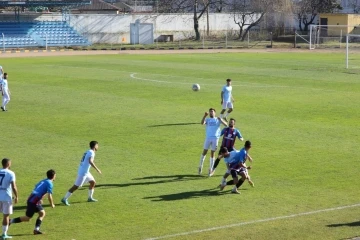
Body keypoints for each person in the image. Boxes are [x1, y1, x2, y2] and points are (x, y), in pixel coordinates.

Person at [10, 169, 56, 235]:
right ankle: (10, 221)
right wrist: (52, 204)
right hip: (33, 201)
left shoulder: (43, 181)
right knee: (27, 218)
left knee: (42, 213)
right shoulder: (50, 183)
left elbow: (37, 189)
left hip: (33, 199)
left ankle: (36, 229)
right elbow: (49, 195)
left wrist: (40, 198)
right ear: (54, 176)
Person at [61, 141, 102, 206]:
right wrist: (97, 169)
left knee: (93, 182)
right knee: (76, 187)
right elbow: (90, 161)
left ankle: (90, 198)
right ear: (94, 146)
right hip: (83, 173)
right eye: (97, 145)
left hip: (86, 171)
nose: (98, 147)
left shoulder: (88, 151)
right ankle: (64, 198)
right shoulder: (91, 152)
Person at [199, 108, 228, 176]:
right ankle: (200, 166)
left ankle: (211, 169)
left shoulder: (217, 119)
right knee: (204, 152)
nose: (211, 113)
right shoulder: (208, 119)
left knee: (213, 153)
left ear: (215, 112)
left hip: (215, 138)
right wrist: (204, 116)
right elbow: (202, 123)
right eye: (210, 112)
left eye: (212, 112)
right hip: (208, 138)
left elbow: (226, 125)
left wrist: (221, 120)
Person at [0, 158, 18, 239]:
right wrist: (16, 196)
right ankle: (4, 234)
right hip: (6, 196)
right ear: (8, 164)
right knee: (6, 216)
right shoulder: (11, 173)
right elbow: (14, 186)